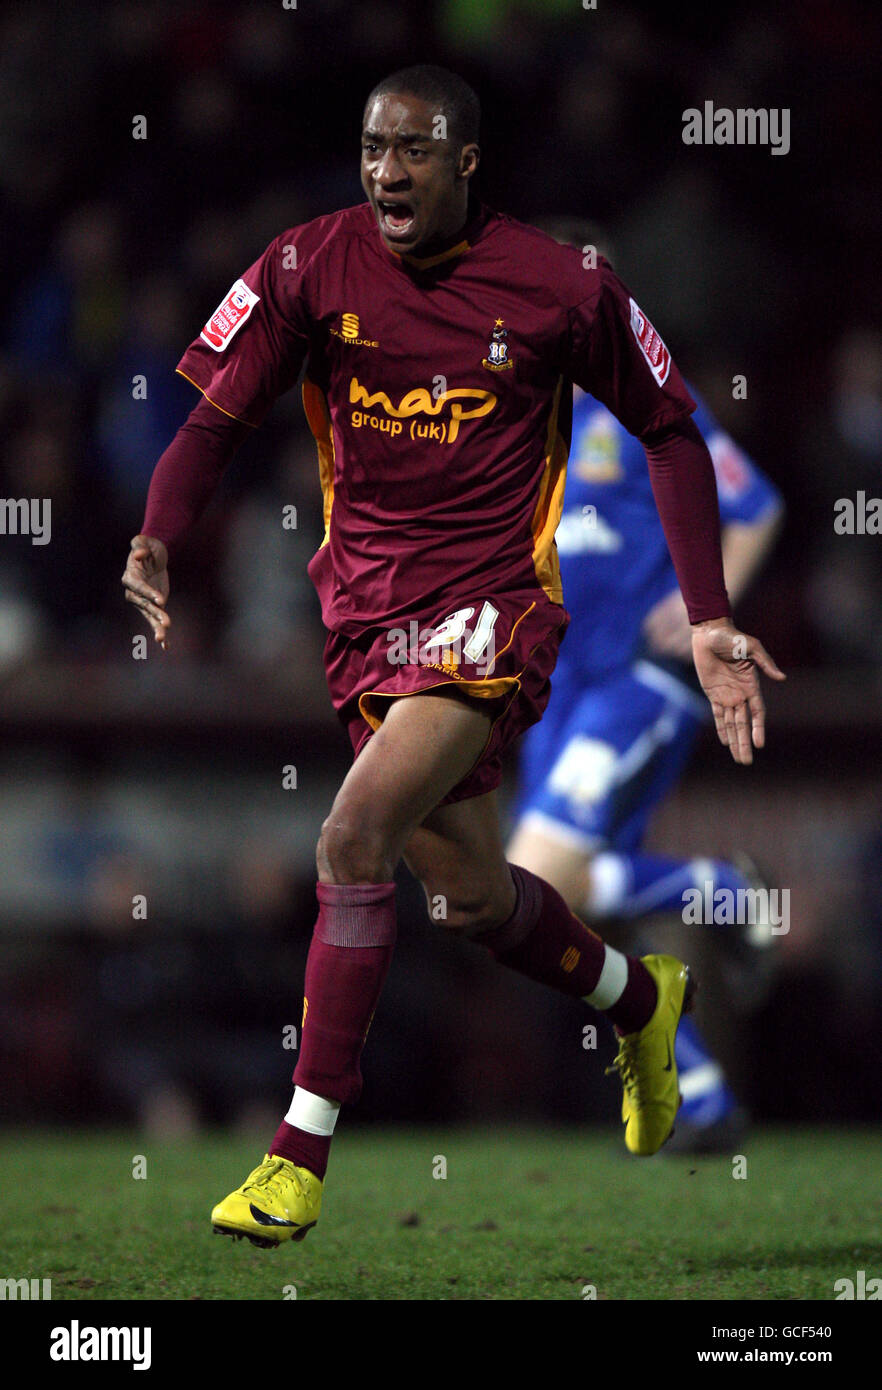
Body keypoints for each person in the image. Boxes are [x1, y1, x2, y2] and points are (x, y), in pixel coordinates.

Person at [122, 65, 784, 1248]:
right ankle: (642, 1000)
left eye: (413, 149)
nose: (386, 169)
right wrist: (160, 537)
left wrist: (712, 610)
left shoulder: (560, 283)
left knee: (348, 836)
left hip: (491, 614)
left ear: (467, 160)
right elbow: (213, 419)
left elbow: (676, 433)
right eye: (373, 146)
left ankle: (296, 1153)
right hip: (365, 619)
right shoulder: (306, 263)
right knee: (475, 901)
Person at [505, 222, 785, 1148]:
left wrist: (709, 606)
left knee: (537, 879)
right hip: (559, 691)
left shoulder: (648, 400)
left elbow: (754, 504)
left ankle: (723, 891)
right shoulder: (518, 416)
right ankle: (696, 1083)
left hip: (639, 683)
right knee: (550, 907)